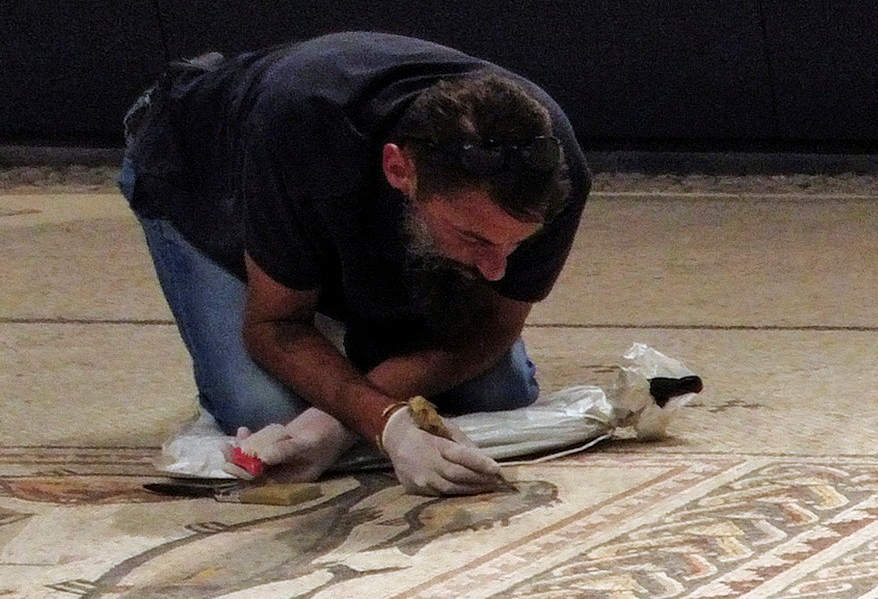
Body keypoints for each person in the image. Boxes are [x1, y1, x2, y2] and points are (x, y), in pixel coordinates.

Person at [118, 34, 586, 497]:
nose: (496, 270)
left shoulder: (552, 166)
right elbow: (274, 325)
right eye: (474, 238)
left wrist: (340, 420)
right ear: (399, 169)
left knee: (496, 394)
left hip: (343, 195)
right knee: (266, 411)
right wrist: (385, 421)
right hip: (202, 170)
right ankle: (317, 305)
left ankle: (345, 337)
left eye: (516, 245)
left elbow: (491, 326)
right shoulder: (302, 131)